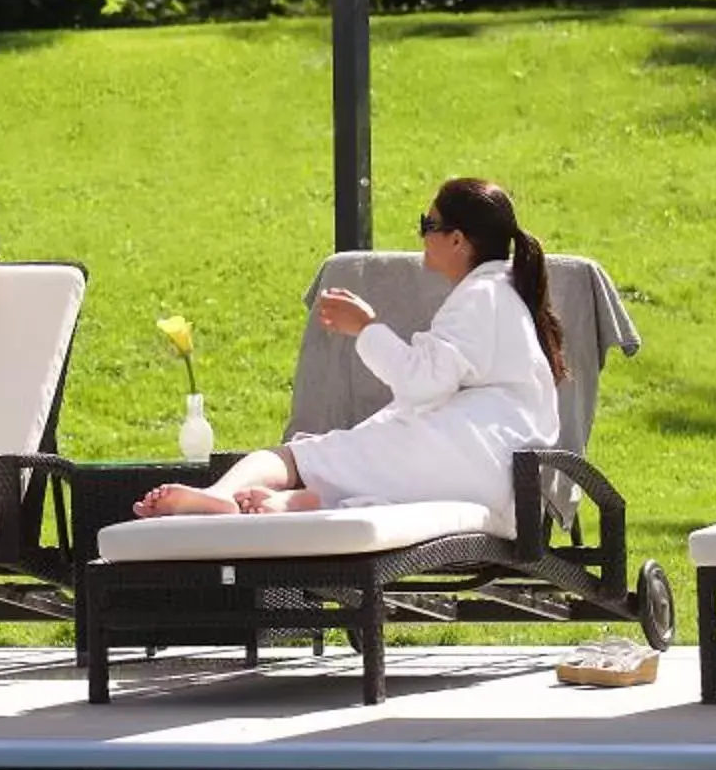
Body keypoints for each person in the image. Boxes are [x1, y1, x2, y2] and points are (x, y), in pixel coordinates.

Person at [134, 177, 562, 520]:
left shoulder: (480, 297)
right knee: (344, 455)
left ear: (458, 240)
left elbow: (423, 383)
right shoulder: (499, 295)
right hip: (492, 467)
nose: (422, 236)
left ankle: (219, 496)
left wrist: (365, 327)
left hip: (471, 461)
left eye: (428, 224)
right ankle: (303, 503)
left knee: (298, 456)